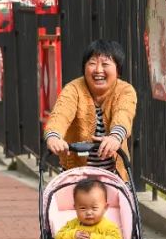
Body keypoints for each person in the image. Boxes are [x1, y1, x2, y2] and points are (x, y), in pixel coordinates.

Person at [44, 39, 137, 180]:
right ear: (84, 67)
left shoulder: (125, 91)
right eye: (92, 63)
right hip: (76, 175)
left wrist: (115, 137)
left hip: (113, 176)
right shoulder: (73, 89)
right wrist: (53, 136)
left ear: (118, 70)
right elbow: (60, 115)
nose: (98, 70)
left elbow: (123, 114)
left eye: (105, 64)